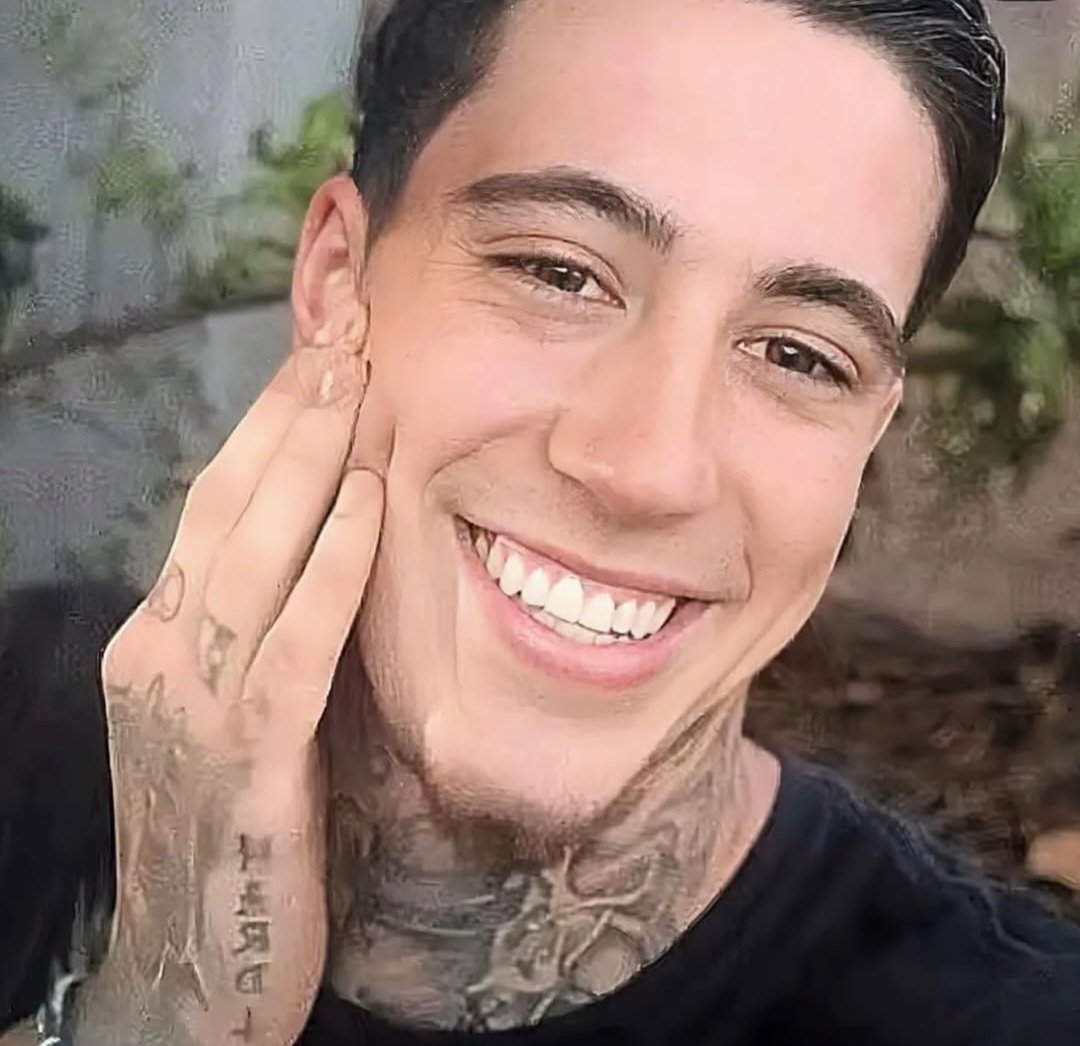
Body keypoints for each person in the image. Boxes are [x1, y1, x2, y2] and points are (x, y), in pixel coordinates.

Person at [2, 0, 1079, 1043]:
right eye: (559, 272)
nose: (650, 468)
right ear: (338, 281)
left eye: (800, 354)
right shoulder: (24, 715)